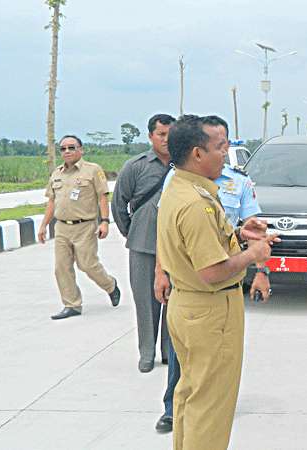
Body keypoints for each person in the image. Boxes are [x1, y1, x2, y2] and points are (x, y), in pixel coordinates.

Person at [156, 115, 274, 450]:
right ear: (197, 153)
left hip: (189, 305)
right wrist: (254, 254)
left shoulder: (180, 189)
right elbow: (211, 270)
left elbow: (198, 245)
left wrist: (238, 234)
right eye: (220, 147)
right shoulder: (196, 203)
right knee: (211, 404)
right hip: (210, 309)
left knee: (190, 393)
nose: (227, 153)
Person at [111, 113, 176, 373]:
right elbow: (119, 205)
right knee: (146, 302)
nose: (166, 140)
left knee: (174, 300)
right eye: (161, 135)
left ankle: (169, 352)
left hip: (176, 246)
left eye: (170, 136)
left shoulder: (182, 166)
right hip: (143, 245)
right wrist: (133, 231)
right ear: (150, 136)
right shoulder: (135, 166)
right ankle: (146, 352)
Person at [39, 135, 120, 320]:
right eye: (63, 148)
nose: (67, 151)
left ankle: (110, 286)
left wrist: (105, 221)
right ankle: (72, 304)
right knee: (61, 267)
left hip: (85, 227)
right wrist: (44, 225)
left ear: (81, 150)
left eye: (71, 147)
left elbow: (102, 197)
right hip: (61, 227)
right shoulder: (56, 173)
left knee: (87, 265)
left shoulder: (93, 170)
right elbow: (51, 202)